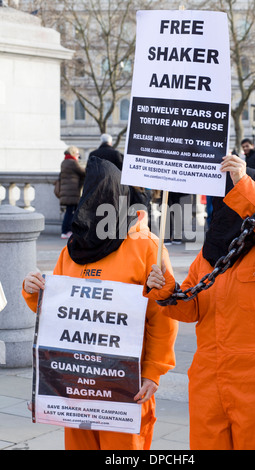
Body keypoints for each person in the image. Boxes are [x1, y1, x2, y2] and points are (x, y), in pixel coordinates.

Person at [145, 154, 255, 450]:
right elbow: (191, 308)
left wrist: (245, 184)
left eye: (236, 196)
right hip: (208, 379)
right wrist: (165, 289)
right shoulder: (207, 257)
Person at [22, 157, 177, 451]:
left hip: (126, 384)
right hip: (76, 382)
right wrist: (34, 292)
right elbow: (60, 313)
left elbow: (162, 316)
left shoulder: (148, 247)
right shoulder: (73, 249)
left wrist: (153, 372)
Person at [59, 146, 85, 239]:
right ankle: (66, 231)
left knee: (69, 211)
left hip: (67, 192)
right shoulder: (73, 163)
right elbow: (83, 172)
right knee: (70, 212)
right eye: (77, 154)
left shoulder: (64, 162)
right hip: (72, 192)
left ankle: (66, 231)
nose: (78, 156)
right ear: (73, 153)